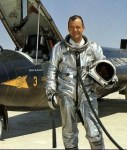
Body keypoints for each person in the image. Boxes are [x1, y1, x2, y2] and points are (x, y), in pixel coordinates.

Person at [46, 15, 105, 149]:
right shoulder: (59, 48)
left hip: (87, 94)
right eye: (72, 27)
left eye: (78, 27)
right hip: (66, 94)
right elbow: (52, 70)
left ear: (83, 28)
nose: (75, 30)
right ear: (68, 29)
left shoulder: (93, 48)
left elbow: (104, 66)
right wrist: (51, 92)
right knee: (69, 133)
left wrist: (109, 80)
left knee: (94, 132)